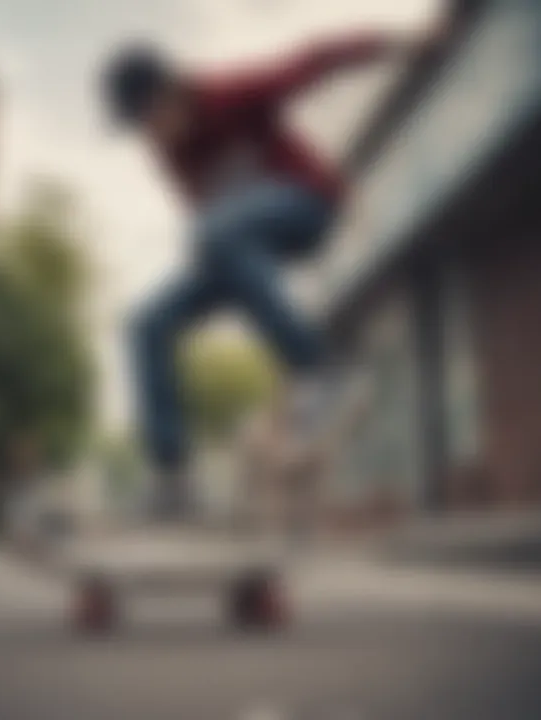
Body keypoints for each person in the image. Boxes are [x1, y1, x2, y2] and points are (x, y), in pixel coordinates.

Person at [101, 27, 443, 519]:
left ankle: (320, 372)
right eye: (139, 129)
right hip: (245, 242)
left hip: (310, 207)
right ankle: (172, 478)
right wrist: (225, 273)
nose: (150, 137)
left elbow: (316, 59)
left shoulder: (228, 93)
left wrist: (405, 45)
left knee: (215, 233)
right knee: (147, 322)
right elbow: (211, 225)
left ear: (172, 91)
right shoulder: (171, 155)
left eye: (150, 119)